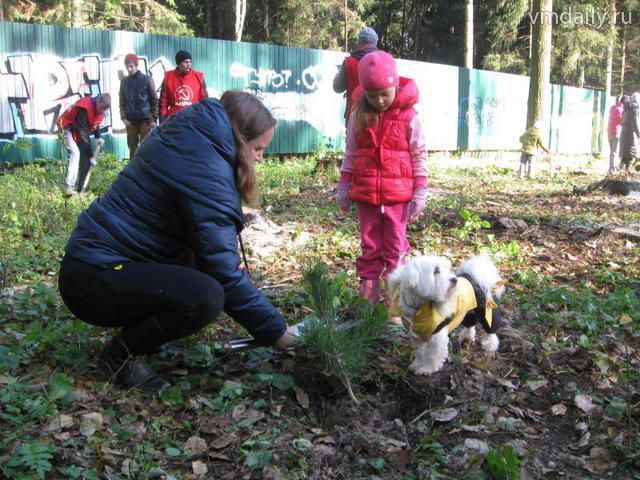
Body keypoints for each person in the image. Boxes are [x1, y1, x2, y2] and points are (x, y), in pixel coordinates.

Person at [58, 91, 296, 393]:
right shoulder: (206, 169)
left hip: (92, 264)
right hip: (92, 278)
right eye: (258, 149)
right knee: (205, 295)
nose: (261, 158)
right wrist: (276, 333)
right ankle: (121, 355)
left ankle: (145, 338)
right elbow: (222, 270)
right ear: (239, 138)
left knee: (196, 267)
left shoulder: (189, 136)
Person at [336, 51, 428, 322]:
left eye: (384, 94)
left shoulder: (409, 117)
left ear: (395, 86)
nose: (379, 101)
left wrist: (420, 188)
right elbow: (350, 152)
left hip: (398, 197)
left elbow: (419, 153)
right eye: (372, 95)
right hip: (366, 195)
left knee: (396, 248)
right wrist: (344, 184)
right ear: (364, 92)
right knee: (369, 247)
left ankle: (395, 309)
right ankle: (368, 302)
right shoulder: (358, 115)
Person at [58, 93, 110, 196]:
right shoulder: (85, 107)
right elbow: (84, 133)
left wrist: (98, 136)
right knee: (75, 153)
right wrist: (91, 156)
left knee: (85, 158)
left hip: (78, 129)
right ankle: (69, 187)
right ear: (98, 101)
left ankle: (81, 188)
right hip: (66, 127)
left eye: (104, 110)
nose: (102, 111)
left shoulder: (100, 109)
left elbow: (95, 122)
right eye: (102, 108)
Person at [333, 27, 379, 124]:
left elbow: (338, 88)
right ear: (375, 43)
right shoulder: (383, 62)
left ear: (359, 42)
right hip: (377, 117)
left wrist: (337, 76)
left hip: (354, 116)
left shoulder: (348, 63)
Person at [119, 53, 158, 159]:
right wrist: (123, 118)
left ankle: (145, 174)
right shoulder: (124, 82)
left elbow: (154, 100)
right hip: (131, 122)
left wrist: (154, 119)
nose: (129, 69)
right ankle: (133, 174)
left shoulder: (146, 79)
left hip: (146, 121)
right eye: (127, 66)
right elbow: (122, 102)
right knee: (133, 151)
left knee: (145, 150)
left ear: (136, 65)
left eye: (131, 66)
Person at [158, 50, 208, 123]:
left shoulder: (199, 77)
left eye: (190, 62)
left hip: (193, 121)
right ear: (178, 63)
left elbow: (205, 101)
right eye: (185, 62)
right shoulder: (168, 77)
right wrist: (162, 121)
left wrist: (203, 119)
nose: (189, 64)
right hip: (174, 121)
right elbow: (163, 103)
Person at [619, 93, 640, 171]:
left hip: (623, 133)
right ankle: (626, 177)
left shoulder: (626, 108)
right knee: (630, 157)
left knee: (625, 157)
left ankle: (618, 174)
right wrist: (639, 135)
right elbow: (635, 124)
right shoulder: (634, 109)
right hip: (630, 135)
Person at [607, 96, 624, 172]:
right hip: (616, 132)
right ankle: (612, 168)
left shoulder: (612, 108)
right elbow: (622, 121)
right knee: (614, 151)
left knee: (611, 151)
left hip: (609, 131)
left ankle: (611, 166)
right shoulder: (622, 110)